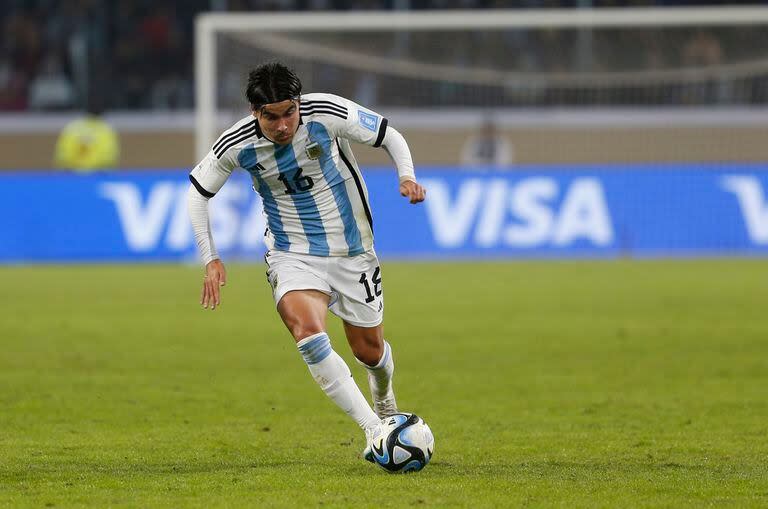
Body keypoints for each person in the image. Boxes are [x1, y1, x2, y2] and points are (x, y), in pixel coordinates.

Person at [186, 62, 426, 464]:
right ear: (254, 112)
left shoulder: (327, 112)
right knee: (308, 333)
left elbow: (390, 136)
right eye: (271, 116)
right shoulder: (237, 144)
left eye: (289, 112)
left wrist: (406, 176)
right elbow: (197, 194)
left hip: (353, 251)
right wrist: (210, 258)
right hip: (291, 252)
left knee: (369, 351)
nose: (282, 125)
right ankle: (374, 430)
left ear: (298, 103)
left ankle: (385, 401)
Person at [53, 101, 120, 172]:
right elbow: (110, 156)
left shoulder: (72, 127)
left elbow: (63, 155)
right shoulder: (106, 129)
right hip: (96, 175)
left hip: (74, 175)